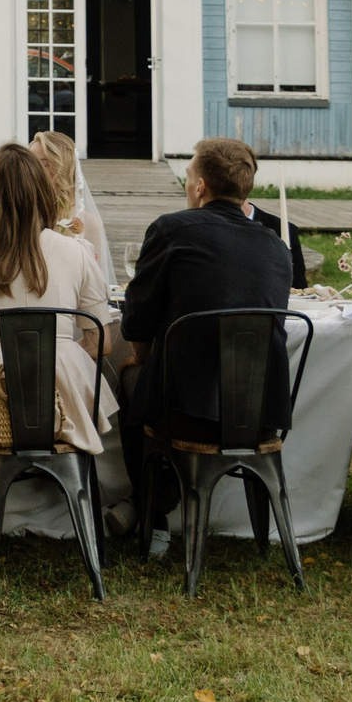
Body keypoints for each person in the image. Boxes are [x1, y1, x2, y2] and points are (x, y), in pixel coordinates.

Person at [117, 138, 294, 555]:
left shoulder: (171, 230)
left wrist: (143, 357)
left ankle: (153, 516)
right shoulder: (276, 246)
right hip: (260, 417)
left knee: (131, 378)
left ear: (199, 186)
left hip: (187, 416)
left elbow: (137, 322)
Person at [0, 141, 114, 459]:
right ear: (42, 191)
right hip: (65, 406)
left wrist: (0, 366)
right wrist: (49, 369)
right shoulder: (76, 251)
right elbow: (101, 339)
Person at [30, 131, 113, 278]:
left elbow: (94, 280)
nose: (32, 170)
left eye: (44, 164)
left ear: (63, 169)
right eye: (30, 163)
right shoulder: (16, 215)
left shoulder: (88, 223)